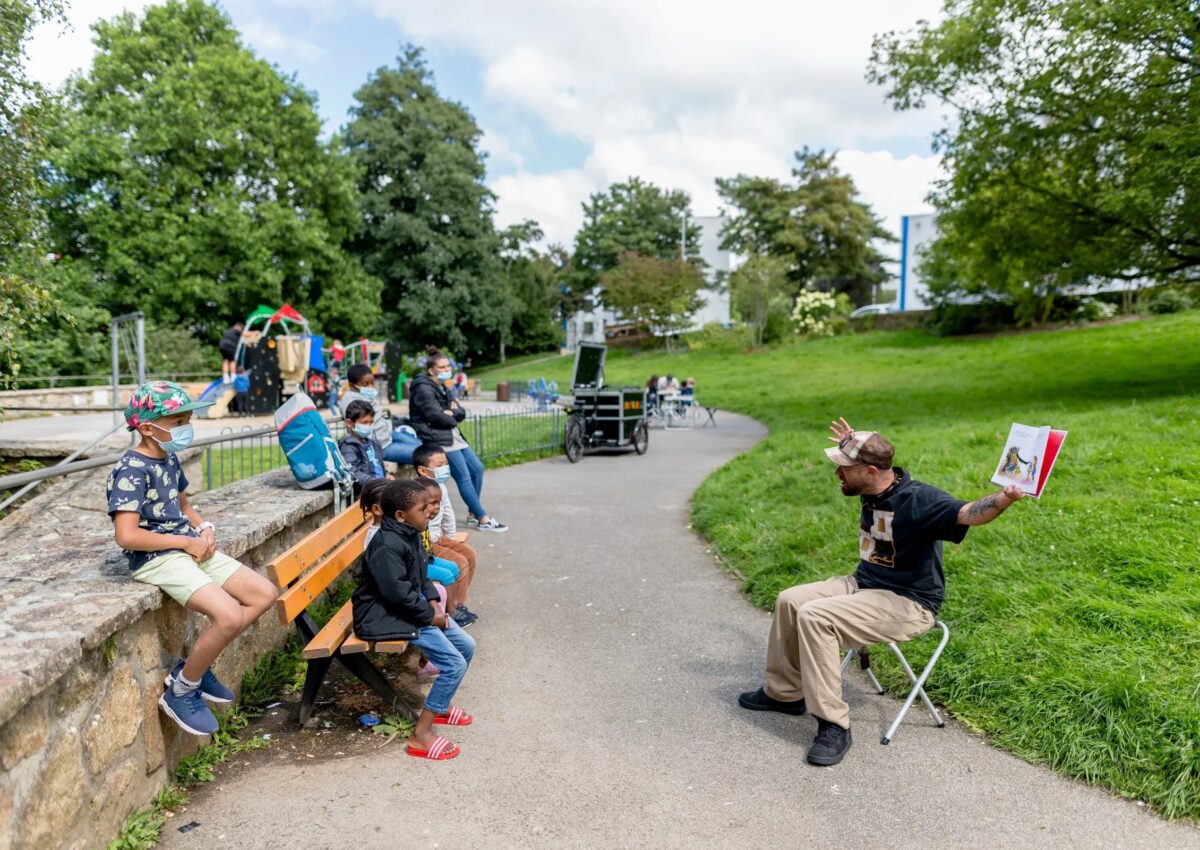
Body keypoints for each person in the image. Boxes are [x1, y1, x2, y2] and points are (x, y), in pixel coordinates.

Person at [738, 418, 1026, 767]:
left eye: (844, 469)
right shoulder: (874, 487)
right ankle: (784, 694)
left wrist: (1004, 498)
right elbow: (863, 462)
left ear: (871, 471)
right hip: (865, 584)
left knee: (816, 615)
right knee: (790, 600)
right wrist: (852, 442)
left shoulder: (920, 500)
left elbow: (967, 514)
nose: (837, 476)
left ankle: (834, 724)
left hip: (908, 602)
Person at [106, 381, 276, 736]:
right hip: (157, 556)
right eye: (178, 421)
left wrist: (204, 528)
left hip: (188, 546)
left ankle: (194, 666)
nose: (185, 428)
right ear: (148, 426)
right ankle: (181, 690)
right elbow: (127, 535)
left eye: (186, 420)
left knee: (264, 594)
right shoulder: (132, 469)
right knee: (228, 615)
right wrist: (184, 544)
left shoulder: (168, 456)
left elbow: (183, 505)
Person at [353, 479, 476, 761]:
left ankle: (440, 706)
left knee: (466, 646)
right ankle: (421, 733)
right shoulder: (386, 546)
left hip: (410, 609)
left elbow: (422, 578)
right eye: (423, 509)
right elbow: (398, 595)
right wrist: (432, 617)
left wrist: (433, 603)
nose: (429, 513)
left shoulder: (409, 533)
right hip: (382, 616)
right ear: (400, 515)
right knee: (453, 663)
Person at [408, 347, 508, 532]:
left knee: (477, 468)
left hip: (452, 433)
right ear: (432, 370)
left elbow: (460, 411)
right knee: (464, 477)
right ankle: (483, 518)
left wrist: (452, 412)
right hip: (437, 435)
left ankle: (472, 513)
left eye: (448, 366)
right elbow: (437, 416)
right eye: (443, 366)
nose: (447, 369)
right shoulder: (423, 388)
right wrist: (451, 413)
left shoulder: (441, 386)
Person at [414, 446, 479, 625]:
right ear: (422, 469)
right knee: (460, 562)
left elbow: (448, 512)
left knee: (470, 554)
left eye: (446, 463)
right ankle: (454, 609)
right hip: (429, 542)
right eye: (440, 464)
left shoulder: (440, 485)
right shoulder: (418, 492)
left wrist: (451, 537)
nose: (445, 468)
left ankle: (459, 603)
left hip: (440, 537)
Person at [339, 364, 403, 463]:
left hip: (387, 436)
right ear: (352, 385)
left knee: (422, 445)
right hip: (381, 446)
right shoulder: (352, 402)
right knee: (422, 453)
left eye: (372, 383)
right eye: (365, 384)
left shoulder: (365, 396)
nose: (371, 387)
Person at [338, 399, 389, 495]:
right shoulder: (349, 446)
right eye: (364, 423)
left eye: (371, 422)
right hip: (367, 491)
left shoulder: (373, 443)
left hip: (380, 486)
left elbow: (379, 463)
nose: (369, 426)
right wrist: (370, 481)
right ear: (350, 423)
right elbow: (352, 471)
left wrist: (387, 474)